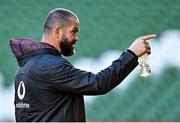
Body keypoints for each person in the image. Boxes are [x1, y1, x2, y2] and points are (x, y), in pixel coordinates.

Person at [10, 8, 156, 122]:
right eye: (74, 31)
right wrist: (131, 54)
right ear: (58, 31)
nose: (77, 37)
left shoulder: (24, 68)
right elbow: (99, 83)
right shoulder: (50, 66)